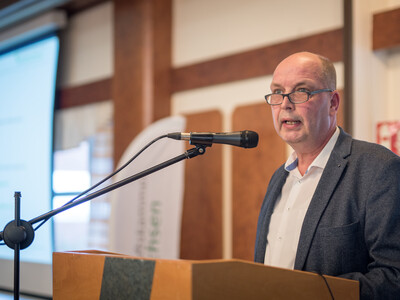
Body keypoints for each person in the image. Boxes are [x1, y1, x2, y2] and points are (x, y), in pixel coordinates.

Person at [254, 51, 400, 299]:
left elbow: (393, 275)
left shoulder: (378, 169)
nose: (286, 104)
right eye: (277, 92)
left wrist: (310, 293)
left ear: (333, 103)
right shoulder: (279, 177)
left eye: (301, 91)